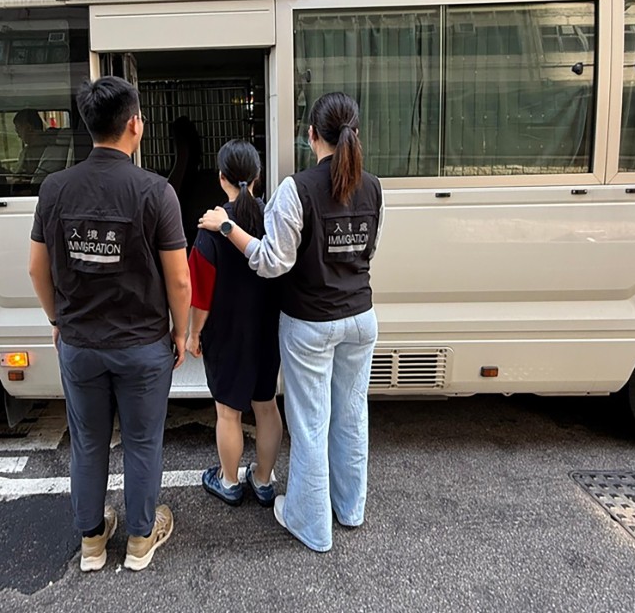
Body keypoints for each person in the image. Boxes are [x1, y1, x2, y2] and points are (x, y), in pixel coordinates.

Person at [199, 92, 384, 552]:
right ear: (354, 134)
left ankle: (312, 524)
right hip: (361, 317)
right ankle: (350, 507)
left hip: (312, 324)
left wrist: (227, 228)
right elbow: (367, 251)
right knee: (351, 415)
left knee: (311, 422)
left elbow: (270, 261)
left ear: (310, 135)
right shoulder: (375, 187)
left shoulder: (296, 189)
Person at [28, 76, 191, 573]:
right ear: (136, 124)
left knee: (88, 442)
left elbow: (37, 268)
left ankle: (93, 543)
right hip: (143, 345)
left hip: (79, 344)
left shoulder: (55, 188)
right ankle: (141, 540)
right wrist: (180, 333)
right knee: (143, 442)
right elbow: (179, 280)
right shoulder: (156, 192)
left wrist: (57, 317)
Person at [187, 140, 282, 507]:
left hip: (226, 332)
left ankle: (228, 483)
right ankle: (262, 481)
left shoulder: (211, 226)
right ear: (258, 177)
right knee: (266, 404)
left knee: (228, 411)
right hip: (267, 329)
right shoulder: (274, 218)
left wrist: (194, 334)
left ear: (222, 178)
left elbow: (200, 293)